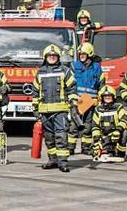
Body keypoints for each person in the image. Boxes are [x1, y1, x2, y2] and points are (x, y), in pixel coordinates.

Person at [33, 44, 77, 172]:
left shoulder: (65, 71)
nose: (52, 57)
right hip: (44, 111)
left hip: (60, 111)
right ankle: (52, 159)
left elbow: (72, 88)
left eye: (54, 55)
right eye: (49, 56)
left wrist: (73, 102)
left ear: (58, 57)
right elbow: (35, 91)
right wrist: (35, 109)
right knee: (49, 137)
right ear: (45, 57)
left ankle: (63, 162)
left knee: (61, 136)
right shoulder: (40, 72)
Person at [69, 43, 104, 156]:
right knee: (74, 125)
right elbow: (70, 84)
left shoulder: (97, 68)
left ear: (90, 54)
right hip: (78, 100)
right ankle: (70, 147)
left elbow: (101, 84)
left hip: (91, 101)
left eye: (83, 54)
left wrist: (101, 98)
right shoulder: (74, 66)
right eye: (80, 54)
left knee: (88, 125)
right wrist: (72, 97)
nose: (81, 56)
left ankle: (86, 147)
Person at [89, 86, 127, 162]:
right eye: (105, 96)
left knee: (125, 132)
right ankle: (107, 151)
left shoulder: (118, 107)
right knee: (95, 150)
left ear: (113, 96)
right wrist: (96, 140)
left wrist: (118, 130)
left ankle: (120, 153)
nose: (108, 97)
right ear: (102, 97)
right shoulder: (98, 109)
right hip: (104, 136)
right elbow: (95, 126)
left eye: (109, 96)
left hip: (116, 133)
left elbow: (124, 119)